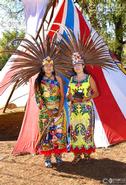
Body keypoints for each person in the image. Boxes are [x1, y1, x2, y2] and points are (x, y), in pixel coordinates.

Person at [34, 56, 67, 168]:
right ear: (43, 68)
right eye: (46, 65)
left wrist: (59, 110)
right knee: (46, 135)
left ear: (53, 67)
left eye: (50, 65)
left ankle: (58, 156)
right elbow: (38, 98)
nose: (48, 67)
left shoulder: (58, 79)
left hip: (58, 111)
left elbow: (62, 96)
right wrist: (46, 110)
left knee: (58, 134)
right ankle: (47, 158)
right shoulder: (39, 80)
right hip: (45, 113)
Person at [67, 53, 99, 163]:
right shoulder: (71, 79)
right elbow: (68, 94)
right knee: (75, 132)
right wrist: (71, 97)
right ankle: (77, 154)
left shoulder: (89, 78)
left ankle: (86, 153)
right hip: (75, 109)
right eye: (75, 65)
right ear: (73, 67)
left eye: (79, 65)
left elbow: (96, 93)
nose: (77, 67)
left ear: (83, 66)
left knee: (86, 131)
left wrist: (87, 97)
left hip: (86, 109)